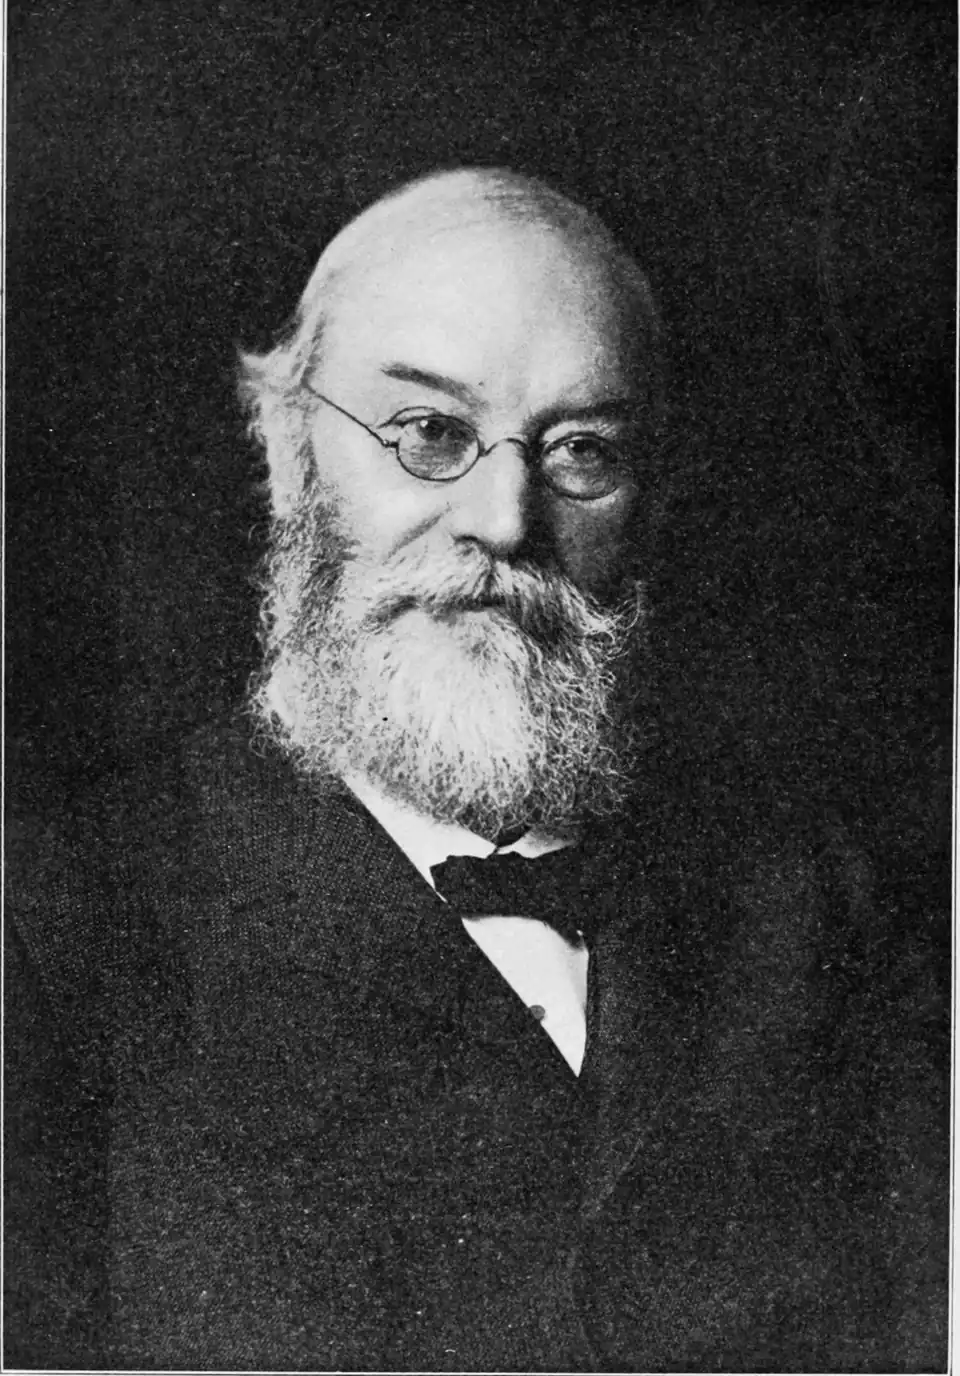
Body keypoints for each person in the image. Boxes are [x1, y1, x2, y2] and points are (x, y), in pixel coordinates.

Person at [6, 167, 947, 1372]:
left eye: (583, 451)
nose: (504, 518)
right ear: (288, 449)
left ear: (652, 498)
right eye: (431, 433)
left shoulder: (826, 907)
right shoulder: (58, 917)